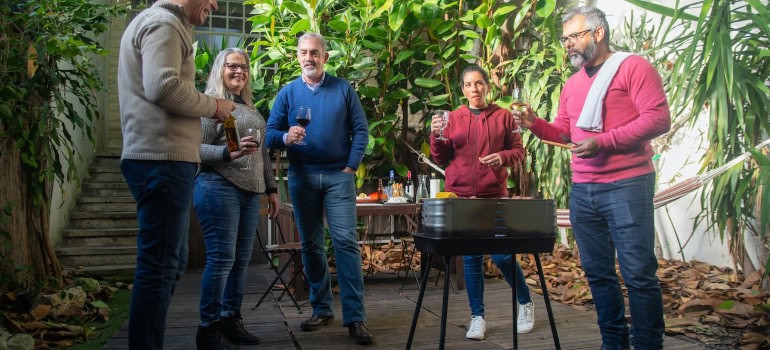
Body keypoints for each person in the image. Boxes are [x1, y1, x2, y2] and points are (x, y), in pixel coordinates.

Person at [512, 6, 671, 349]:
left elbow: (658, 119)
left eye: (574, 36)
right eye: (564, 38)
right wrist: (534, 124)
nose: (568, 44)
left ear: (598, 33)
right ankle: (613, 342)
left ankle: (647, 344)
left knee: (638, 274)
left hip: (627, 185)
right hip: (584, 190)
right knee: (598, 274)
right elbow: (566, 135)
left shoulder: (633, 67)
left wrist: (604, 142)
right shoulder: (572, 84)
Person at [117, 1, 235, 349]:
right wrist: (215, 106)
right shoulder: (164, 23)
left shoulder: (162, 23)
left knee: (170, 261)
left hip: (164, 161)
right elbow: (164, 87)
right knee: (160, 266)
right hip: (161, 160)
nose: (214, 3)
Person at [264, 32, 373, 345]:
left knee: (345, 243)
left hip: (339, 177)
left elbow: (361, 131)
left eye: (314, 52)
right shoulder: (287, 93)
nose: (308, 57)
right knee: (311, 245)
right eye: (303, 52)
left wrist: (350, 167)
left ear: (325, 57)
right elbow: (270, 134)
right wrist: (286, 138)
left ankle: (355, 317)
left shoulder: (342, 89)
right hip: (302, 177)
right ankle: (322, 309)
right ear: (297, 57)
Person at [429, 65, 535, 340]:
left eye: (479, 83)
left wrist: (502, 157)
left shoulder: (503, 116)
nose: (474, 89)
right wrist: (435, 134)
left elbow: (518, 151)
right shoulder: (452, 118)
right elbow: (441, 157)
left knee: (502, 255)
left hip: (494, 196)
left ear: (487, 86)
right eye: (468, 85)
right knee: (472, 257)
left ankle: (525, 301)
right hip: (462, 197)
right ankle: (477, 317)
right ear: (462, 89)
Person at [193, 48, 280, 350]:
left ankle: (231, 320)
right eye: (232, 66)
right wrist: (225, 152)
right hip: (218, 186)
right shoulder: (211, 107)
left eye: (243, 67)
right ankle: (208, 329)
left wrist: (271, 189)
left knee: (240, 262)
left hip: (249, 192)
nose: (239, 71)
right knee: (221, 260)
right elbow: (193, 150)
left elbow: (263, 155)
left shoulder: (251, 109)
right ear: (220, 69)